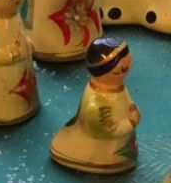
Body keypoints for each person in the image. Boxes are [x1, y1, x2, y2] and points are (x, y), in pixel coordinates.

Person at [49, 37, 140, 174]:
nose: (126, 71)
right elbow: (105, 130)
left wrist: (130, 109)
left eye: (127, 66)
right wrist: (131, 122)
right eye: (121, 69)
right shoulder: (98, 102)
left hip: (122, 139)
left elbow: (123, 102)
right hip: (103, 147)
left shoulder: (114, 86)